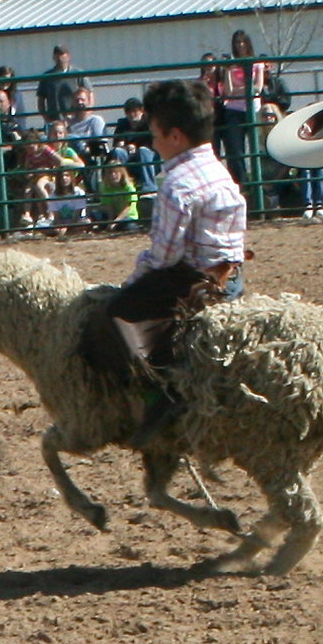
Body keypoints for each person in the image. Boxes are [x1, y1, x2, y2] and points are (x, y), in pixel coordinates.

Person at [104, 79, 247, 446]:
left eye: (154, 134)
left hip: (192, 282)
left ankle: (160, 398)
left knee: (115, 315)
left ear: (175, 136)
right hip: (231, 278)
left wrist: (132, 283)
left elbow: (164, 257)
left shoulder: (176, 184)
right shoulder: (219, 169)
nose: (151, 142)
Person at [220, 29, 265, 184]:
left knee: (256, 148)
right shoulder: (231, 65)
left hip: (253, 108)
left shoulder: (256, 63)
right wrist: (245, 87)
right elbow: (228, 91)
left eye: (243, 42)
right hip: (234, 110)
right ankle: (242, 183)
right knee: (235, 150)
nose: (240, 45)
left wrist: (240, 90)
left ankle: (259, 183)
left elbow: (258, 87)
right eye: (237, 43)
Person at [111, 96, 160, 195]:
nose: (132, 114)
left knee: (143, 150)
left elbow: (155, 143)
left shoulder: (149, 122)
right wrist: (125, 147)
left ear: (142, 110)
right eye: (128, 112)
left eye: (135, 111)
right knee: (118, 152)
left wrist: (136, 148)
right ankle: (121, 187)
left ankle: (149, 188)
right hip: (129, 157)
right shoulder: (122, 124)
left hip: (149, 157)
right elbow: (117, 144)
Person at [36, 45, 92, 124]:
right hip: (54, 122)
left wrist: (85, 116)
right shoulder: (47, 77)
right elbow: (40, 101)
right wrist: (46, 119)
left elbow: (90, 95)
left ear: (68, 56)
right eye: (57, 54)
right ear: (53, 57)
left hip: (76, 120)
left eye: (62, 54)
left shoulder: (78, 74)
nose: (59, 57)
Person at [89, 160, 139, 231]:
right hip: (115, 215)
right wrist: (111, 221)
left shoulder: (129, 187)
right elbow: (109, 207)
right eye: (110, 173)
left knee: (129, 226)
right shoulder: (106, 188)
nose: (113, 175)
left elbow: (128, 208)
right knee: (95, 214)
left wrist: (115, 221)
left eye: (116, 172)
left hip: (127, 216)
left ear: (122, 173)